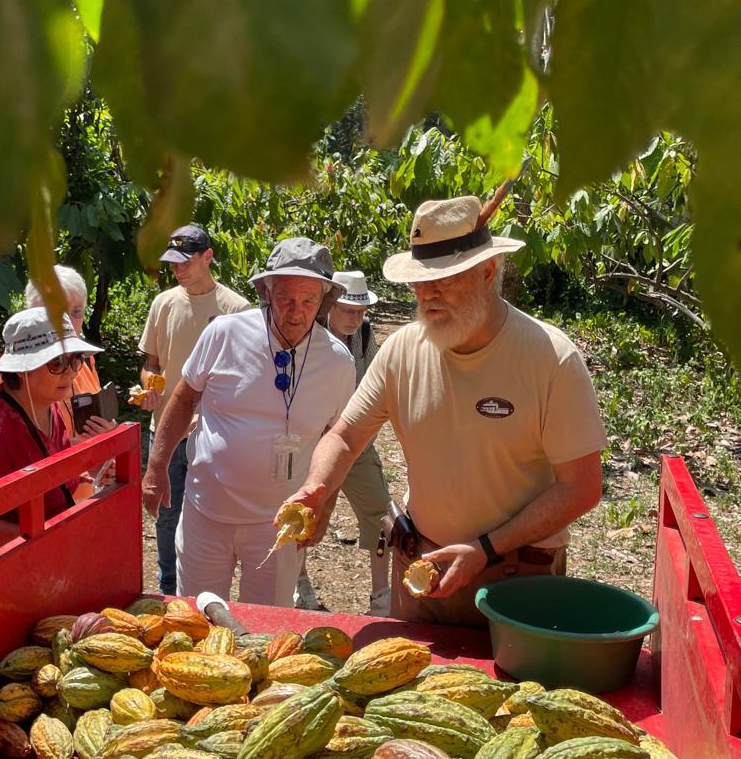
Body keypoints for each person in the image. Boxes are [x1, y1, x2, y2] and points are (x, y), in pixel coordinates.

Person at [289, 196, 606, 628]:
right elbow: (345, 436)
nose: (426, 294)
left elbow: (581, 487)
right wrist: (315, 488)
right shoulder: (402, 352)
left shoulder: (550, 359)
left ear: (487, 272)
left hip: (517, 582)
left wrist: (484, 550)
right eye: (419, 281)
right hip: (421, 568)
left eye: (443, 280)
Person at [142, 238, 356, 607]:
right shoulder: (224, 333)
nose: (296, 312)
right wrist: (156, 466)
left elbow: (336, 440)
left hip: (279, 524)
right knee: (197, 617)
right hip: (206, 511)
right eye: (286, 298)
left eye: (308, 301)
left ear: (324, 302)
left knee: (267, 628)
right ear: (266, 291)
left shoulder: (337, 362)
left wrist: (327, 504)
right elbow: (183, 397)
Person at [136, 224, 249, 595]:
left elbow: (244, 378)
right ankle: (169, 587)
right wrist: (150, 385)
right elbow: (152, 362)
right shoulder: (164, 304)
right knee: (167, 514)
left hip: (213, 434)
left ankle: (207, 591)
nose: (177, 270)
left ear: (208, 257)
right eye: (172, 264)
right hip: (166, 427)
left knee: (209, 515)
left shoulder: (236, 311)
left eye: (185, 262)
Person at [0, 308, 110, 565]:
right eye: (57, 363)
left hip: (45, 563)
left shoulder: (51, 407)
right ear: (22, 369)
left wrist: (97, 471)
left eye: (75, 359)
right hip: (2, 575)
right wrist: (36, 536)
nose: (70, 372)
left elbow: (60, 480)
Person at [295, 271, 393, 616]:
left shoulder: (365, 337)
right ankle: (300, 584)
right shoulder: (308, 338)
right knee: (306, 511)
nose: (356, 318)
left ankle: (382, 597)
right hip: (313, 443)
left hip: (357, 442)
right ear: (329, 307)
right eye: (348, 310)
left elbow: (376, 387)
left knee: (381, 516)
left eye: (361, 311)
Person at [0, 264, 101, 439]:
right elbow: (2, 438)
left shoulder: (84, 360)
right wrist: (75, 450)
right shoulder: (13, 372)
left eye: (76, 312)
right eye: (57, 313)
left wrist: (107, 436)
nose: (68, 323)